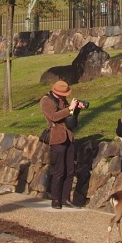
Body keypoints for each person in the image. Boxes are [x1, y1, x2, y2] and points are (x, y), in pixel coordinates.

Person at [40, 79, 84, 209]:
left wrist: (76, 110)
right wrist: (69, 108)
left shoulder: (62, 100)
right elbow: (53, 116)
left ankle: (65, 198)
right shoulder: (46, 101)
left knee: (70, 170)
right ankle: (56, 199)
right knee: (59, 170)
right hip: (57, 138)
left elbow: (69, 117)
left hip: (68, 137)